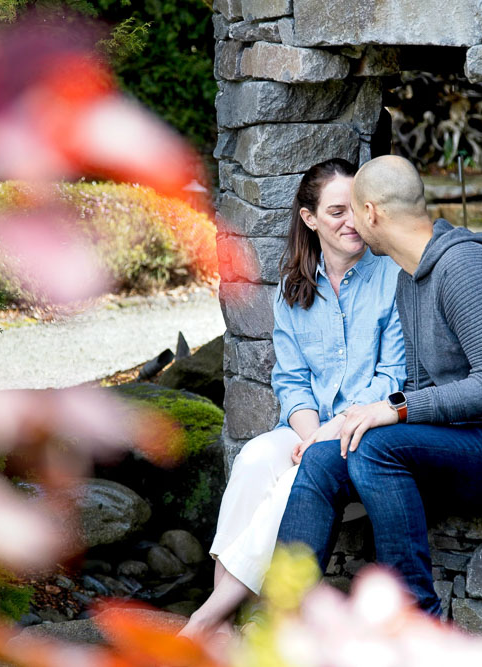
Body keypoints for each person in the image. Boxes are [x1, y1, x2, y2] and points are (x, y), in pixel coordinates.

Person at [275, 155, 482, 616]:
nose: (350, 224)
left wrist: (392, 409)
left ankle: (415, 622)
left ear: (371, 213)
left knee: (375, 447)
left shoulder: (464, 269)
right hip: (472, 439)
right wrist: (351, 422)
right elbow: (418, 386)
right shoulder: (409, 281)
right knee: (323, 457)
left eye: (353, 210)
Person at [180, 158, 406, 637]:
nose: (353, 222)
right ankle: (228, 616)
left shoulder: (392, 278)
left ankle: (208, 618)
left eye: (360, 210)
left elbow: (392, 377)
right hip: (307, 430)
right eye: (337, 211)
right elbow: (291, 382)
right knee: (255, 459)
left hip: (366, 435)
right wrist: (311, 433)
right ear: (309, 219)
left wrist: (326, 436)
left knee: (290, 485)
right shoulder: (293, 289)